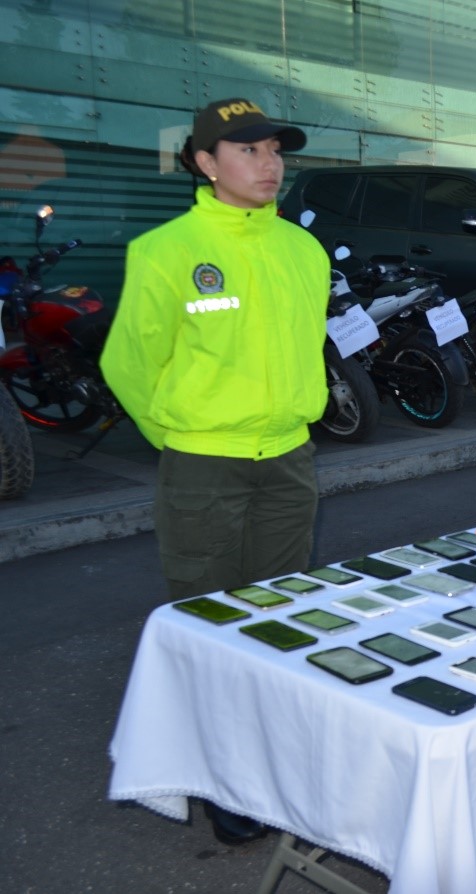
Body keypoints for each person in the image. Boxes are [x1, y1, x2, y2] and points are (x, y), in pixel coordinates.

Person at [100, 98, 329, 845]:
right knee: (210, 622)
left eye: (275, 150)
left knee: (277, 617)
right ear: (205, 163)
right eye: (248, 151)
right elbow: (129, 363)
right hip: (204, 465)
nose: (270, 164)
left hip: (288, 460)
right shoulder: (166, 249)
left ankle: (266, 762)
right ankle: (217, 775)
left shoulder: (304, 251)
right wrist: (182, 437)